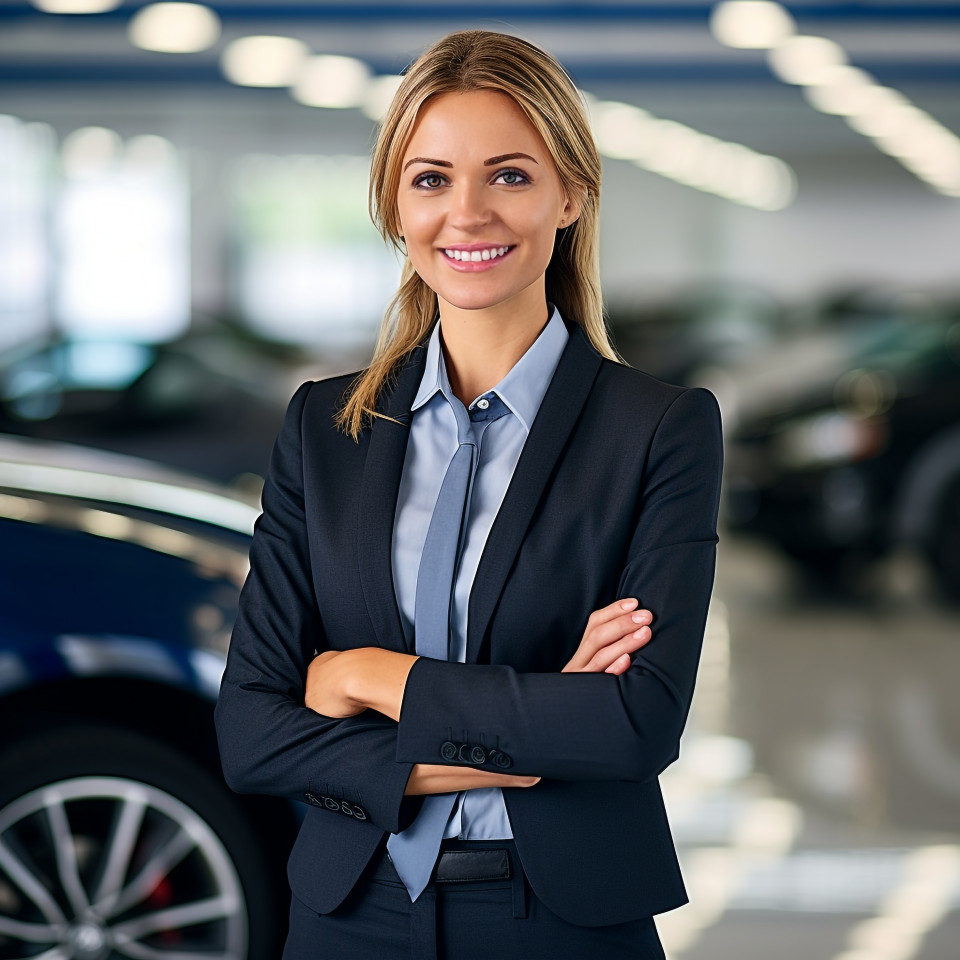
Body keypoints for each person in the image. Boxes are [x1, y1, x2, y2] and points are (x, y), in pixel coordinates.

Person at [215, 28, 722, 960]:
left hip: (561, 922)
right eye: (432, 178)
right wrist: (527, 728)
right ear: (395, 208)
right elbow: (253, 732)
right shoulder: (326, 429)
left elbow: (630, 725)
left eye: (511, 176)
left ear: (571, 193)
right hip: (347, 916)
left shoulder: (657, 430)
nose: (469, 213)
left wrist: (363, 676)